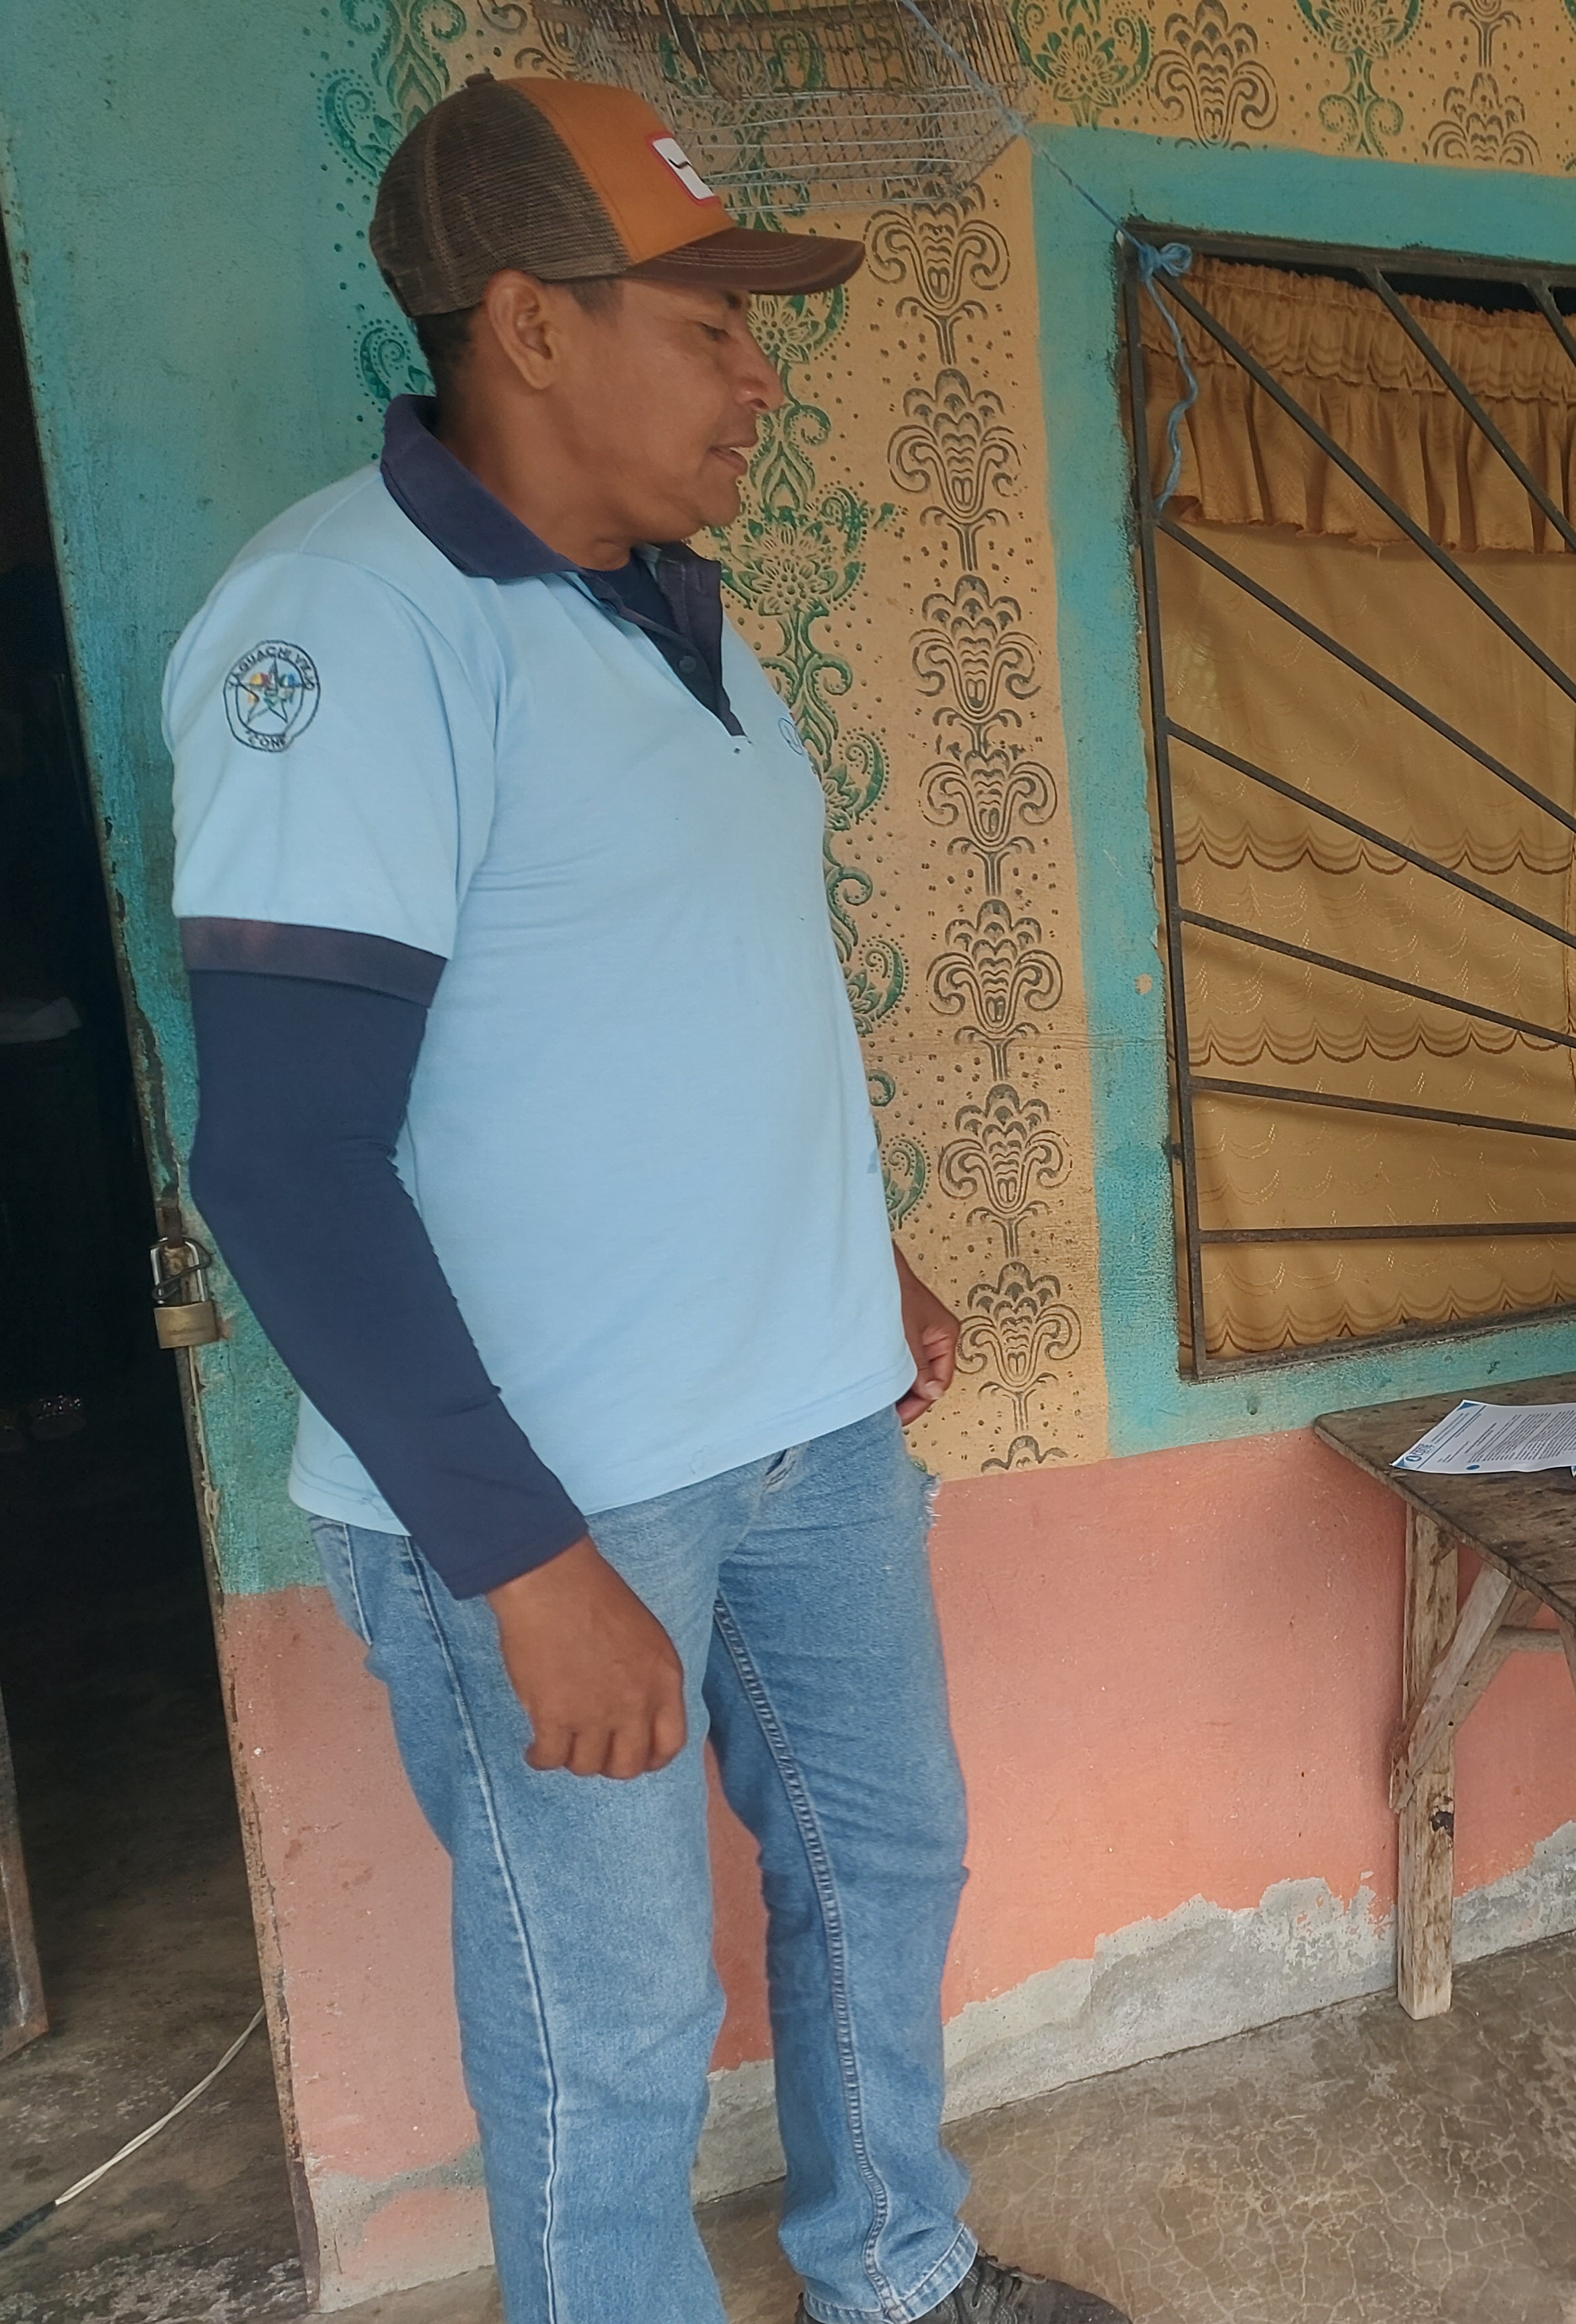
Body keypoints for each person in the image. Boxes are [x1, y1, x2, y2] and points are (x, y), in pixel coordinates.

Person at [166, 76, 1126, 2324]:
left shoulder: (681, 616)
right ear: (528, 325)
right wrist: (524, 1560)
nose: (758, 374)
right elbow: (283, 1157)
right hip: (558, 1487)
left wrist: (857, 1254)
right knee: (604, 2020)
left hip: (806, 1421)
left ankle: (896, 2265)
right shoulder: (340, 630)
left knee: (881, 1865)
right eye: (709, 323)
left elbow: (688, 985)